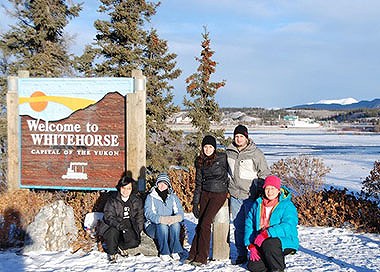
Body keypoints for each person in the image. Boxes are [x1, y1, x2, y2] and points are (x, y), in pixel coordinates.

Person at [226, 124, 270, 264]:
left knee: (252, 227)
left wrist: (261, 192)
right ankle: (241, 254)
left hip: (251, 197)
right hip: (235, 196)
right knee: (238, 227)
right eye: (236, 136)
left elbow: (264, 174)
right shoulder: (229, 152)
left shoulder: (256, 153)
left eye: (241, 137)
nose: (238, 139)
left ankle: (255, 253)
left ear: (247, 137)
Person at [185, 135, 229, 266]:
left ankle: (202, 257)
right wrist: (195, 203)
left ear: (214, 148)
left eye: (210, 147)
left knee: (205, 223)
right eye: (205, 147)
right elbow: (198, 183)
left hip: (219, 193)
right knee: (200, 224)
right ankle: (193, 253)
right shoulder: (199, 161)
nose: (208, 149)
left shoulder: (222, 158)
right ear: (202, 147)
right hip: (205, 192)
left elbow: (233, 170)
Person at [244, 175, 299, 272]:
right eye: (267, 188)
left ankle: (278, 269)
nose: (270, 192)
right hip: (260, 239)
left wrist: (267, 233)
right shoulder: (257, 204)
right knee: (254, 266)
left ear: (278, 190)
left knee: (269, 243)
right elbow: (249, 224)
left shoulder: (287, 205)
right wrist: (250, 245)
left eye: (273, 188)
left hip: (283, 240)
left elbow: (288, 225)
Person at [97, 175, 144, 263]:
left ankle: (120, 246)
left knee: (134, 242)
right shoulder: (112, 199)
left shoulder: (136, 200)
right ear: (120, 187)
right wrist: (118, 225)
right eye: (123, 188)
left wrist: (138, 229)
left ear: (132, 189)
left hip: (128, 223)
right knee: (112, 232)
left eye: (128, 188)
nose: (126, 191)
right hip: (113, 224)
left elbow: (139, 217)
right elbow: (109, 216)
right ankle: (112, 253)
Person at [144, 172, 184, 262]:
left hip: (170, 223)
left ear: (168, 185)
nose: (162, 185)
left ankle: (174, 251)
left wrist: (174, 219)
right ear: (157, 184)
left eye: (165, 183)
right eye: (160, 183)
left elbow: (180, 213)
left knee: (176, 224)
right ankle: (164, 252)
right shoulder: (151, 197)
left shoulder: (173, 197)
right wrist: (161, 219)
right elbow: (148, 213)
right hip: (153, 226)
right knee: (162, 226)